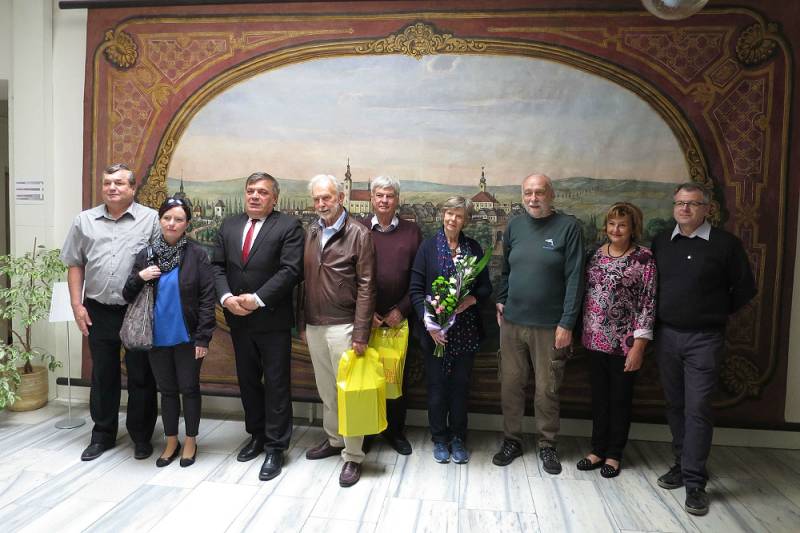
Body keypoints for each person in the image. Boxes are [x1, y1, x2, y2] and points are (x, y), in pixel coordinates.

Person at [651, 182, 755, 515]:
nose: (685, 209)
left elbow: (745, 289)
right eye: (680, 203)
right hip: (667, 336)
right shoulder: (661, 242)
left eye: (693, 204)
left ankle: (695, 483)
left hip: (704, 339)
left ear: (707, 209)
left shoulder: (725, 245)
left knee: (697, 408)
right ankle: (682, 464)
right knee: (675, 404)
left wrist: (713, 312)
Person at [61, 163, 160, 461]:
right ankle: (102, 434)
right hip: (98, 309)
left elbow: (162, 264)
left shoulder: (150, 219)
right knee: (103, 374)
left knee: (141, 375)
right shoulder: (84, 221)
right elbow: (75, 263)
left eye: (119, 183)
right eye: (107, 183)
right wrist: (76, 305)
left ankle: (141, 436)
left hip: (137, 310)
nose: (112, 188)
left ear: (132, 188)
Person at [212, 172, 304, 481]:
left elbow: (291, 270)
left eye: (262, 192)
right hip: (238, 318)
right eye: (250, 190)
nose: (254, 196)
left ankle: (276, 447)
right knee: (248, 380)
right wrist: (226, 298)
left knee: (277, 384)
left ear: (274, 198)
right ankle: (257, 435)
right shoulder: (229, 225)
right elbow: (217, 267)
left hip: (272, 319)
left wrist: (257, 299)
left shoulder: (288, 226)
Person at [493, 173, 584, 475]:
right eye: (528, 192)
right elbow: (506, 270)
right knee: (510, 385)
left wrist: (567, 323)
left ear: (551, 195)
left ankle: (547, 445)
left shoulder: (569, 228)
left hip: (550, 326)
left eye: (539, 192)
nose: (533, 198)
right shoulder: (515, 226)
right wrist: (501, 299)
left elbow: (575, 279)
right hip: (512, 323)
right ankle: (512, 440)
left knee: (547, 389)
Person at [123, 196, 216, 467]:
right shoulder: (147, 254)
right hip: (156, 336)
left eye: (178, 219)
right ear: (160, 220)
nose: (172, 223)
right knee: (167, 390)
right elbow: (127, 294)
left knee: (189, 388)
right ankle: (172, 440)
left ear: (187, 223)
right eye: (167, 218)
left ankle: (191, 441)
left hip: (188, 336)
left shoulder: (197, 255)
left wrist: (203, 338)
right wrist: (141, 276)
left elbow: (207, 299)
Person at [300, 174, 376, 487]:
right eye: (317, 199)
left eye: (327, 198)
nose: (321, 204)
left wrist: (361, 333)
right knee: (327, 391)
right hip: (315, 325)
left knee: (350, 394)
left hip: (344, 326)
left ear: (340, 198)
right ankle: (334, 440)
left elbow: (367, 286)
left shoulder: (359, 233)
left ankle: (353, 456)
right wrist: (302, 322)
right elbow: (304, 280)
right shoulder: (312, 230)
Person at [409, 196, 491, 464]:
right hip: (435, 335)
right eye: (449, 213)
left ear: (465, 220)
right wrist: (430, 324)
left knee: (460, 387)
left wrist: (471, 300)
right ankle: (439, 439)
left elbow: (485, 287)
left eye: (459, 215)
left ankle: (458, 438)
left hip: (465, 331)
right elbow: (416, 289)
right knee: (436, 388)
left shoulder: (473, 248)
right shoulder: (428, 247)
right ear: (443, 215)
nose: (452, 219)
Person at [577, 202, 656, 478]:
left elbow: (648, 302)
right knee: (599, 398)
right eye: (612, 224)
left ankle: (614, 454)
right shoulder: (595, 255)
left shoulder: (644, 258)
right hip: (593, 339)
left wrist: (640, 346)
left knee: (620, 399)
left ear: (633, 228)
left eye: (622, 225)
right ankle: (597, 449)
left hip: (625, 343)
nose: (616, 229)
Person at [362, 176, 423, 455]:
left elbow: (420, 277)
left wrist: (402, 309)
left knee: (397, 377)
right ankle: (366, 431)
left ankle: (395, 431)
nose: (384, 200)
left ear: (397, 200)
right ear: (371, 198)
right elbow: (349, 274)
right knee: (367, 377)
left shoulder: (412, 232)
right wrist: (366, 312)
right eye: (379, 195)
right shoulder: (358, 228)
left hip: (400, 320)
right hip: (366, 320)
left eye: (389, 195)